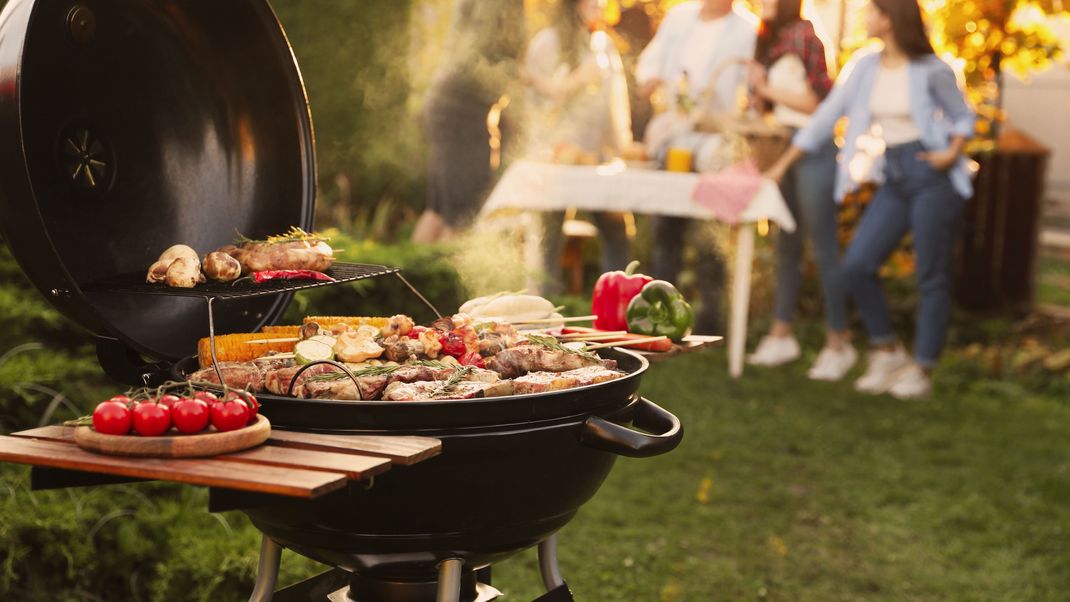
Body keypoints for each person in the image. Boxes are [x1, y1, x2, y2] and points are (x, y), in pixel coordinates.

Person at [764, 0, 975, 399]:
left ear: (890, 17)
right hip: (894, 175)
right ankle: (888, 350)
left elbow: (963, 116)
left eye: (871, 11)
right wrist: (783, 163)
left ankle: (923, 368)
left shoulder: (932, 69)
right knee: (857, 265)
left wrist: (951, 152)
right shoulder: (865, 66)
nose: (865, 17)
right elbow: (826, 116)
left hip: (932, 176)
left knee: (930, 275)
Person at [742, 0, 856, 380]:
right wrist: (758, 96)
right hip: (779, 146)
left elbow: (818, 103)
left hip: (814, 150)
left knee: (823, 249)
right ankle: (781, 334)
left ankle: (839, 342)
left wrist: (767, 88)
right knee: (785, 246)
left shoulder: (805, 35)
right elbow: (772, 106)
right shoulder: (769, 40)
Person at [635, 0, 757, 333]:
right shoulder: (678, 17)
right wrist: (650, 80)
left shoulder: (746, 29)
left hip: (715, 143)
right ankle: (658, 315)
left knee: (710, 233)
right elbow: (650, 62)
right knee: (666, 228)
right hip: (673, 137)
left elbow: (751, 88)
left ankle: (710, 319)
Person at [522, 0, 634, 294]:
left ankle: (616, 306)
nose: (599, 4)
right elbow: (534, 106)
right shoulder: (548, 42)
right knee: (548, 238)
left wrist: (623, 147)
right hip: (555, 158)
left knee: (617, 231)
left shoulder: (603, 44)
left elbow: (615, 104)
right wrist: (575, 81)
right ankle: (542, 315)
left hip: (595, 159)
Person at [413, 0, 527, 244]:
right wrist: (521, 77)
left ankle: (412, 280)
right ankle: (444, 281)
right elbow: (479, 55)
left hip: (448, 105)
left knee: (439, 210)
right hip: (462, 113)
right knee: (461, 217)